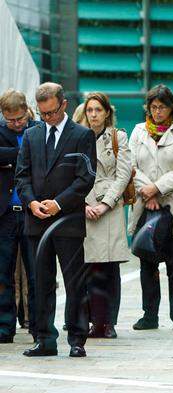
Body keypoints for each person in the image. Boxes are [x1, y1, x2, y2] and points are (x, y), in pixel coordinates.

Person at [15, 82, 96, 357]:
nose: (47, 118)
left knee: (75, 282)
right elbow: (22, 175)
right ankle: (44, 339)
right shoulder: (31, 135)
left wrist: (59, 204)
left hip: (68, 222)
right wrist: (32, 202)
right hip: (36, 221)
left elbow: (86, 178)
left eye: (51, 112)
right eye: (42, 114)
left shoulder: (82, 135)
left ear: (63, 105)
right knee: (41, 281)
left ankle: (77, 339)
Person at [128, 84, 173, 331]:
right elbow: (131, 166)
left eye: (162, 107)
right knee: (147, 261)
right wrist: (147, 192)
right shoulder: (137, 132)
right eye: (153, 107)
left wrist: (156, 188)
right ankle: (149, 315)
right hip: (145, 205)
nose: (157, 112)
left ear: (172, 108)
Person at [80, 92, 132, 339]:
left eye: (98, 110)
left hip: (109, 207)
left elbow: (123, 176)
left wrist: (105, 204)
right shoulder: (79, 136)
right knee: (90, 267)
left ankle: (108, 322)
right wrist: (82, 204)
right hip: (84, 205)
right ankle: (93, 321)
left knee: (109, 267)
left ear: (107, 112)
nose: (93, 115)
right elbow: (70, 173)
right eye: (90, 110)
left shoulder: (118, 137)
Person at [0, 89, 40, 344]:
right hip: (4, 214)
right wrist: (23, 155)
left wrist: (8, 159)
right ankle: (5, 327)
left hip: (32, 212)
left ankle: (38, 325)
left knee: (37, 272)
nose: (16, 124)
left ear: (27, 110)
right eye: (10, 120)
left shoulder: (38, 130)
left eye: (19, 119)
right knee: (3, 274)